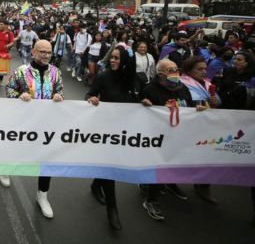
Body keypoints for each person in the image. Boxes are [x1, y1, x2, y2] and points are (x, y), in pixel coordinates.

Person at [3, 39, 64, 219]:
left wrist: (59, 96)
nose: (46, 55)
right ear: (33, 52)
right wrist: (19, 95)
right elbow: (9, 90)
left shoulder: (56, 72)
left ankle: (42, 195)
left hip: (46, 125)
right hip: (23, 124)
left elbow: (60, 91)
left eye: (49, 52)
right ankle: (6, 170)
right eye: (42, 51)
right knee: (16, 150)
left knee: (46, 160)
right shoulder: (21, 71)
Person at [140, 59, 206, 221]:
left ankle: (170, 184)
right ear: (160, 74)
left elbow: (189, 107)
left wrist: (197, 109)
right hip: (159, 137)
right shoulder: (150, 89)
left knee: (176, 163)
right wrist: (146, 105)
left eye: (176, 69)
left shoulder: (182, 88)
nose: (175, 73)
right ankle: (151, 200)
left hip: (179, 135)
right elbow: (142, 114)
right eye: (170, 70)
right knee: (160, 167)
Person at [86, 46, 137, 231]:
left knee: (111, 165)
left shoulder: (134, 79)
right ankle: (112, 209)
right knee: (110, 167)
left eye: (117, 58)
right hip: (105, 131)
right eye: (112, 58)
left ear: (125, 61)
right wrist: (92, 99)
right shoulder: (103, 76)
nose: (113, 61)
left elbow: (144, 98)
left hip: (125, 132)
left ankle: (95, 185)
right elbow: (89, 94)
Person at [180, 56, 222, 204]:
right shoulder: (181, 84)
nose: (204, 72)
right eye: (200, 69)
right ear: (189, 71)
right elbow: (180, 104)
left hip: (207, 127)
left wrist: (216, 101)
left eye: (205, 68)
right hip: (188, 127)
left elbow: (217, 101)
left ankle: (203, 186)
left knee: (208, 156)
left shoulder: (208, 83)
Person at [0, 20, 15, 84]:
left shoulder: (10, 33)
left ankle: (0, 80)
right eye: (0, 24)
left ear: (6, 25)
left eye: (1, 24)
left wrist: (8, 45)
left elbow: (12, 42)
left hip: (4, 53)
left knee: (2, 69)